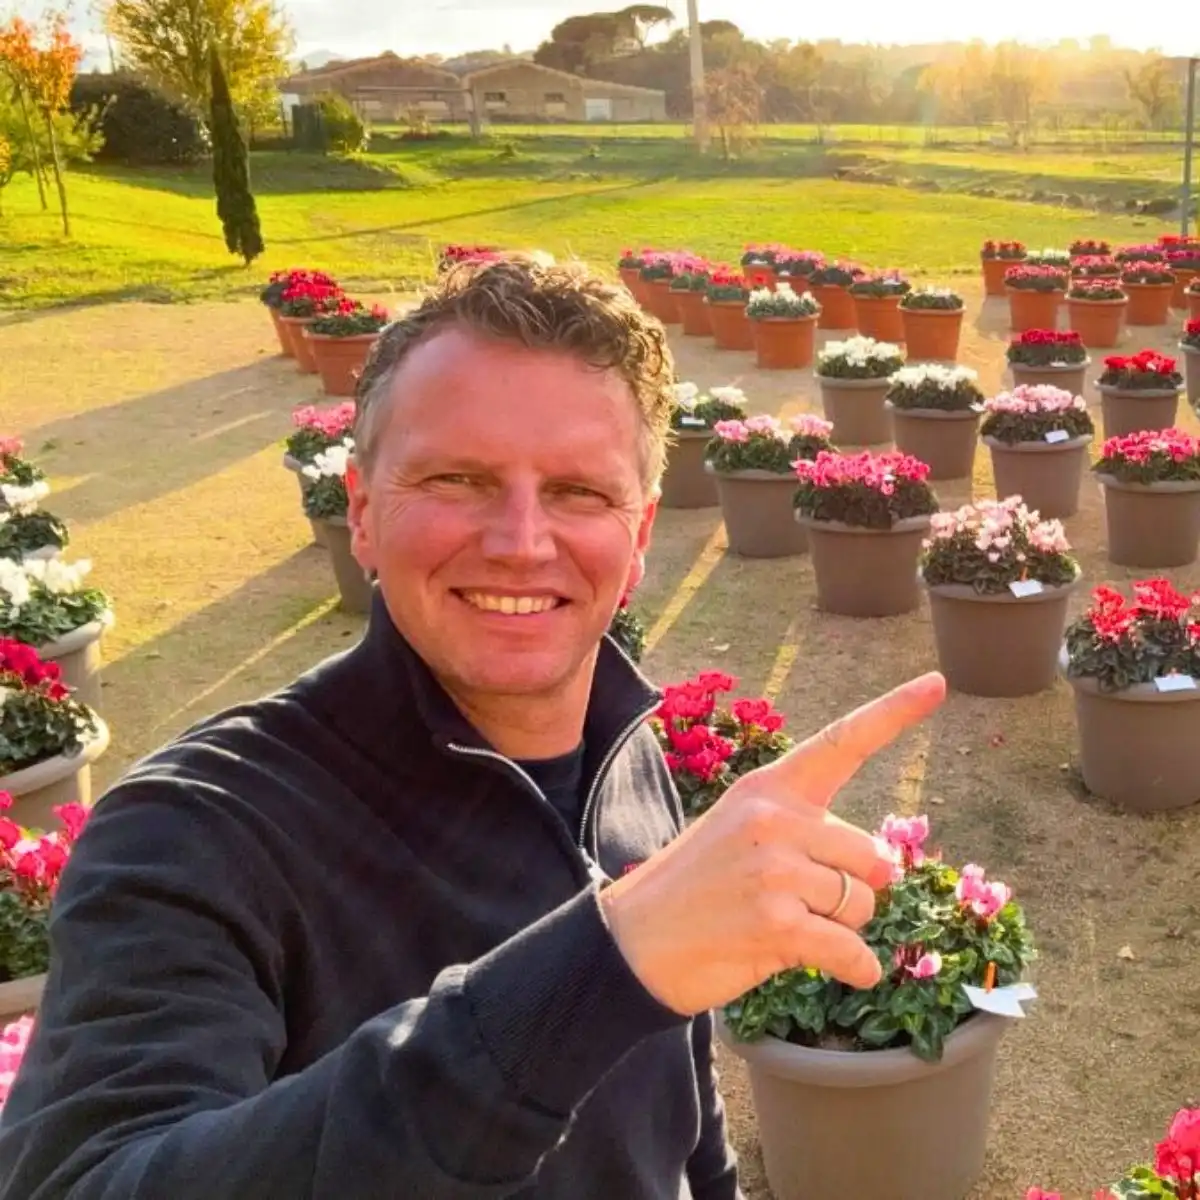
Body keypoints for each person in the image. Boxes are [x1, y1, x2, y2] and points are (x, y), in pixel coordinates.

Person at [0, 258, 945, 1198]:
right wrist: (597, 973)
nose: (522, 541)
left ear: (643, 533)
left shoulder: (629, 752)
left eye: (580, 491)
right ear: (362, 513)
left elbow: (677, 1122)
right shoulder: (190, 835)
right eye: (458, 478)